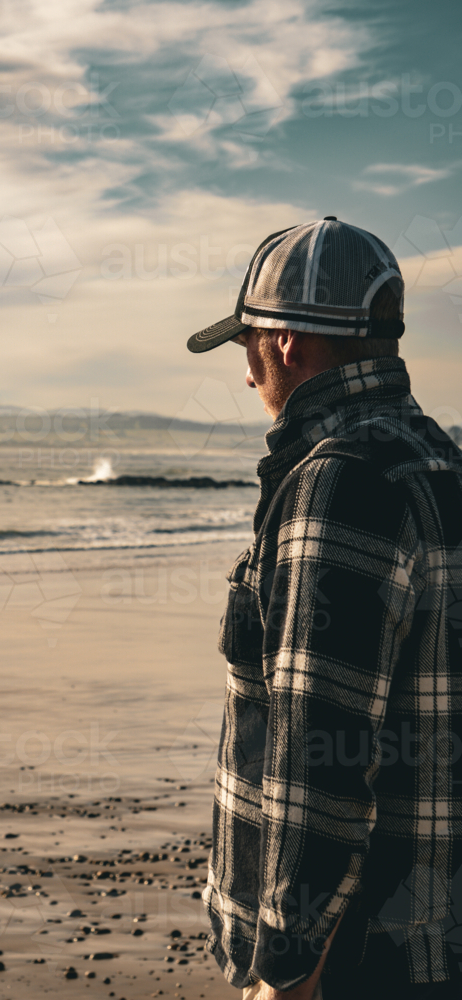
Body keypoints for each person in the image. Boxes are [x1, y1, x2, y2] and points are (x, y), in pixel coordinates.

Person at [186, 218, 462, 999]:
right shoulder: (439, 464)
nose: (246, 376)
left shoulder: (337, 485)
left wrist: (287, 968)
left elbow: (324, 761)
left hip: (359, 969)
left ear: (283, 343)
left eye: (246, 346)